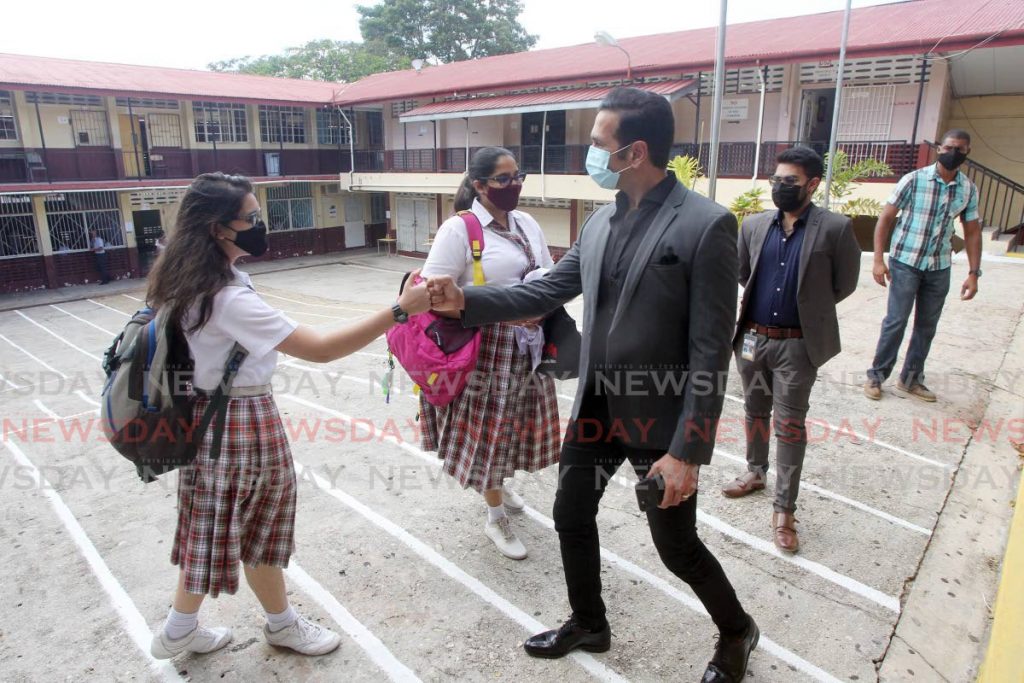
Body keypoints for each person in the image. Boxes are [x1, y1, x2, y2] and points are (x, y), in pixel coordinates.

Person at [428, 88, 757, 683]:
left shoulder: (708, 225)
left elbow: (711, 352)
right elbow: (545, 289)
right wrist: (464, 302)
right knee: (570, 515)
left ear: (634, 152)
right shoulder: (602, 220)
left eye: (599, 145)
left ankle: (737, 631)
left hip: (661, 421)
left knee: (676, 548)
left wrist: (688, 450)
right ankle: (589, 621)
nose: (591, 155)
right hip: (596, 407)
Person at [144, 172, 429, 660]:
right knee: (258, 524)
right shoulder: (226, 298)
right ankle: (268, 625)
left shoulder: (185, 277)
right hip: (240, 420)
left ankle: (183, 628)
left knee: (212, 525)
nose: (260, 225)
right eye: (250, 218)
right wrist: (399, 311)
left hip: (206, 413)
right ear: (217, 229)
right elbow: (320, 349)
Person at [418, 146, 561, 560]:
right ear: (479, 186)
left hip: (527, 348)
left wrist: (540, 308)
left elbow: (549, 274)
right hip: (485, 351)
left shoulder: (527, 222)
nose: (513, 185)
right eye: (503, 179)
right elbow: (432, 296)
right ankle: (495, 514)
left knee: (515, 428)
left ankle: (498, 484)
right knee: (490, 434)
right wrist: (502, 305)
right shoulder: (459, 230)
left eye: (518, 176)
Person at [722, 146, 860, 553]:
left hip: (798, 345)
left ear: (812, 184)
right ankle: (755, 471)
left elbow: (844, 284)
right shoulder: (753, 225)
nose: (780, 188)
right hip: (752, 338)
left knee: (791, 425)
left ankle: (784, 509)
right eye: (776, 181)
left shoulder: (834, 228)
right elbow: (742, 273)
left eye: (790, 182)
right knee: (753, 410)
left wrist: (808, 309)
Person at [864, 129, 982, 402]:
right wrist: (879, 260)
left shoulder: (968, 189)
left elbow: (972, 231)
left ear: (967, 153)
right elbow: (885, 219)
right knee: (896, 321)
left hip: (939, 265)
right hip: (906, 261)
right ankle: (876, 376)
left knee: (927, 326)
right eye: (950, 147)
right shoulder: (914, 180)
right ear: (939, 148)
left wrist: (974, 273)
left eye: (961, 149)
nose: (954, 153)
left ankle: (911, 379)